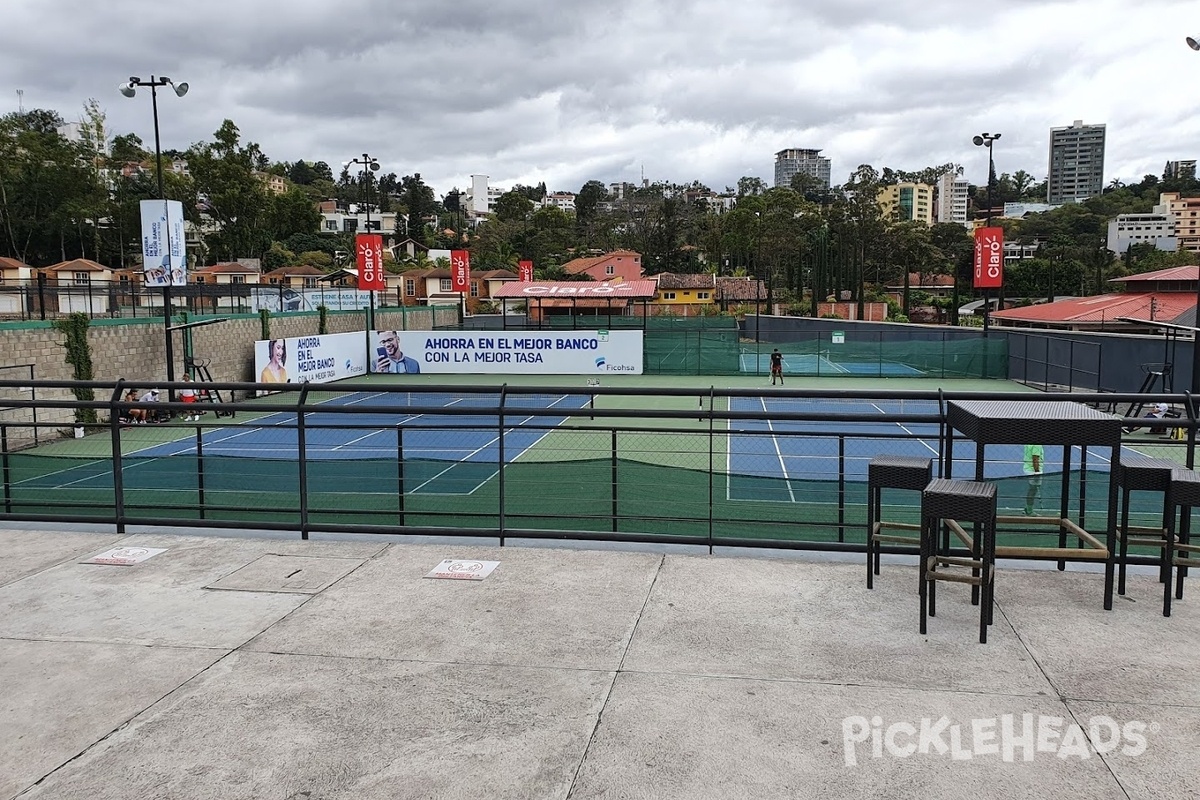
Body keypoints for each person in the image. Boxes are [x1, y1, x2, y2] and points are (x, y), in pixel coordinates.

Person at [1024, 443, 1044, 516]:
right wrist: (1037, 472)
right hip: (1033, 471)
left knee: (1032, 489)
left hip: (1028, 468)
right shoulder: (1037, 445)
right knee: (1033, 490)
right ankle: (1029, 511)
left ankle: (1027, 508)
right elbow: (1035, 459)